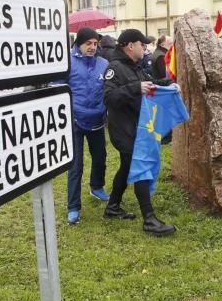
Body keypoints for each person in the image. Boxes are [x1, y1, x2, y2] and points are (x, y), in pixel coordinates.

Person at [103, 28, 177, 236]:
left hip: (136, 126)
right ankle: (149, 219)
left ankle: (112, 207)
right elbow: (109, 98)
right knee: (141, 167)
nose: (145, 49)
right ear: (130, 46)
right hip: (124, 129)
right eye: (142, 45)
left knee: (127, 167)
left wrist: (169, 84)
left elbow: (149, 84)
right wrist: (135, 88)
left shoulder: (135, 66)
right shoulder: (115, 68)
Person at [65, 27, 111, 224]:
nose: (92, 47)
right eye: (88, 44)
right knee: (76, 166)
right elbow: (56, 87)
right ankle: (73, 206)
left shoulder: (104, 63)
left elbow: (110, 88)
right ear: (78, 43)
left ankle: (97, 187)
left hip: (97, 120)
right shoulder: (66, 62)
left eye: (95, 44)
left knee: (100, 157)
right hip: (74, 120)